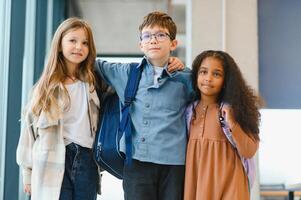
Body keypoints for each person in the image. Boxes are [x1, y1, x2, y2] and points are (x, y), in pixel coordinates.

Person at [95, 11, 194, 200]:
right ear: (140, 44)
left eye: (161, 35)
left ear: (173, 43)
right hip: (137, 162)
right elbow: (92, 63)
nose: (153, 40)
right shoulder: (126, 73)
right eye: (147, 36)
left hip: (174, 165)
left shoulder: (186, 79)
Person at [16, 17, 104, 200]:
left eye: (85, 43)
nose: (79, 47)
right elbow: (28, 133)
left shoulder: (93, 83)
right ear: (59, 45)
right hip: (52, 160)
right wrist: (27, 174)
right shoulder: (44, 89)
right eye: (73, 40)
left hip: (86, 160)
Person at [184, 50, 261, 200]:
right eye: (203, 72)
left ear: (226, 80)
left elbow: (248, 151)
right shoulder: (187, 111)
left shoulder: (236, 110)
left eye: (216, 74)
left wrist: (232, 122)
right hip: (196, 185)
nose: (208, 78)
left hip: (231, 185)